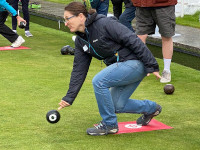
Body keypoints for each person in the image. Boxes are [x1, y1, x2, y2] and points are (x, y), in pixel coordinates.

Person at [58, 2, 162, 136]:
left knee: (99, 81)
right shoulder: (80, 41)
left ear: (81, 16)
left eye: (68, 18)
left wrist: (151, 65)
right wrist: (69, 97)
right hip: (123, 67)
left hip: (135, 63)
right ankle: (152, 108)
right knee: (116, 105)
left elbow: (132, 39)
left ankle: (109, 124)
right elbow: (79, 70)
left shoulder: (104, 24)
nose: (65, 23)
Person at [132, 0, 178, 83]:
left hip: (164, 4)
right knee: (140, 36)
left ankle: (166, 71)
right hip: (142, 4)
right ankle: (141, 68)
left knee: (166, 36)